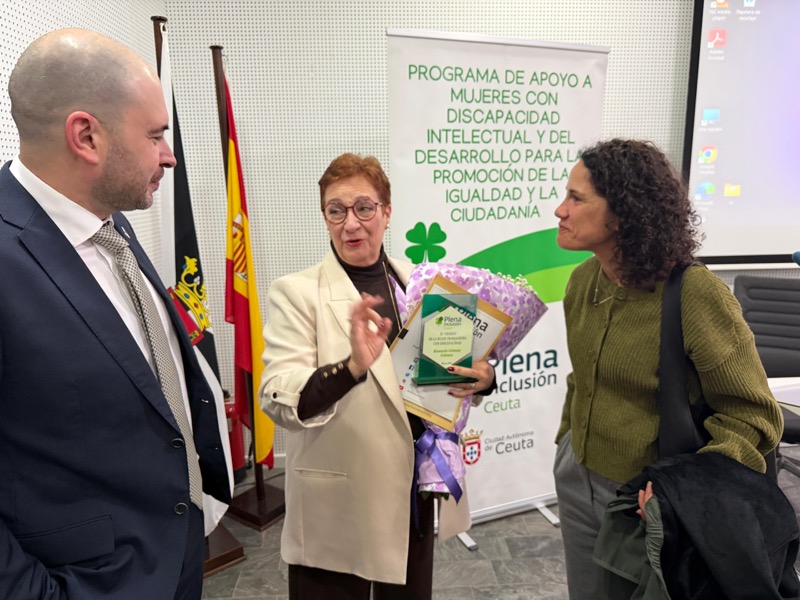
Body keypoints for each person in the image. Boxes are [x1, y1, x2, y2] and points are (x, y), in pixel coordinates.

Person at [0, 29, 230, 599]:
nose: (169, 154)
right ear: (86, 137)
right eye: (155, 135)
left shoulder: (111, 220)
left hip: (175, 555)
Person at [551, 138, 783, 599]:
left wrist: (682, 493)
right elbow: (583, 380)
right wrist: (566, 446)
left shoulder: (694, 294)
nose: (560, 210)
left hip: (650, 501)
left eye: (576, 199)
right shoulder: (582, 281)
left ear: (623, 214)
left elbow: (754, 416)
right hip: (578, 479)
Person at [260, 153, 495, 600]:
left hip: (411, 493)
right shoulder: (296, 293)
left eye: (364, 208)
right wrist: (350, 368)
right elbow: (278, 398)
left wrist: (481, 378)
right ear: (325, 218)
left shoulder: (421, 285)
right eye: (336, 210)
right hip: (339, 502)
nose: (351, 223)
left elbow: (440, 378)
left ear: (387, 213)